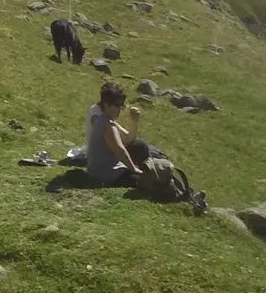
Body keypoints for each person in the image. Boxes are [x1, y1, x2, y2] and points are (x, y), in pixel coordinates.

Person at [85, 83, 207, 212]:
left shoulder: (105, 121)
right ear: (106, 105)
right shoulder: (108, 127)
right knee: (149, 181)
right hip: (105, 174)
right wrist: (133, 169)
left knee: (141, 151)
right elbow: (120, 150)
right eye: (117, 106)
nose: (120, 109)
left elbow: (128, 140)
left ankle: (186, 194)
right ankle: (185, 198)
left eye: (121, 105)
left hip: (104, 169)